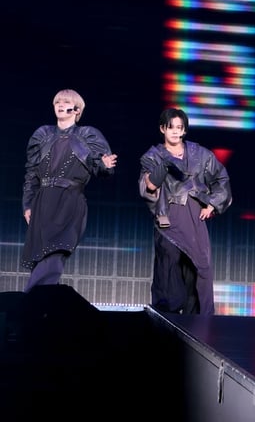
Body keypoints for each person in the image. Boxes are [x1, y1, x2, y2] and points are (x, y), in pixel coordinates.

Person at [21, 88, 118, 291]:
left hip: (70, 200)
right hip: (43, 201)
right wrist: (27, 204)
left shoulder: (87, 134)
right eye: (57, 102)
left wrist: (104, 165)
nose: (60, 105)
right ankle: (41, 302)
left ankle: (30, 299)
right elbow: (31, 173)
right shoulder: (43, 134)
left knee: (56, 251)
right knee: (40, 255)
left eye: (66, 102)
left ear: (77, 109)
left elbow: (99, 165)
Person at [139, 108, 232, 315]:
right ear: (162, 129)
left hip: (194, 215)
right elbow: (149, 187)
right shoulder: (153, 156)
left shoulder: (200, 154)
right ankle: (166, 318)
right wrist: (163, 165)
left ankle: (199, 320)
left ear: (184, 130)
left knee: (200, 267)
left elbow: (221, 178)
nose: (175, 131)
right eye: (170, 127)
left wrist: (212, 204)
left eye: (179, 127)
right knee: (168, 266)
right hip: (168, 216)